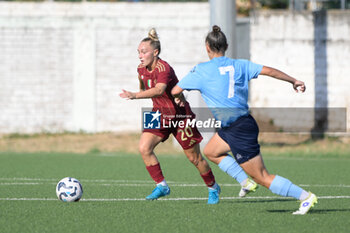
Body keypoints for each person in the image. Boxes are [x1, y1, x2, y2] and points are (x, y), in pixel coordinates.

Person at [171, 25, 317, 214]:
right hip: (237, 125)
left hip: (238, 129)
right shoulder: (240, 65)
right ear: (227, 46)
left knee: (262, 177)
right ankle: (245, 181)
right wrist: (293, 81)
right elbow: (270, 71)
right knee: (212, 152)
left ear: (207, 47)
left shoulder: (201, 70)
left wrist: (180, 97)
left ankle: (305, 197)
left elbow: (175, 91)